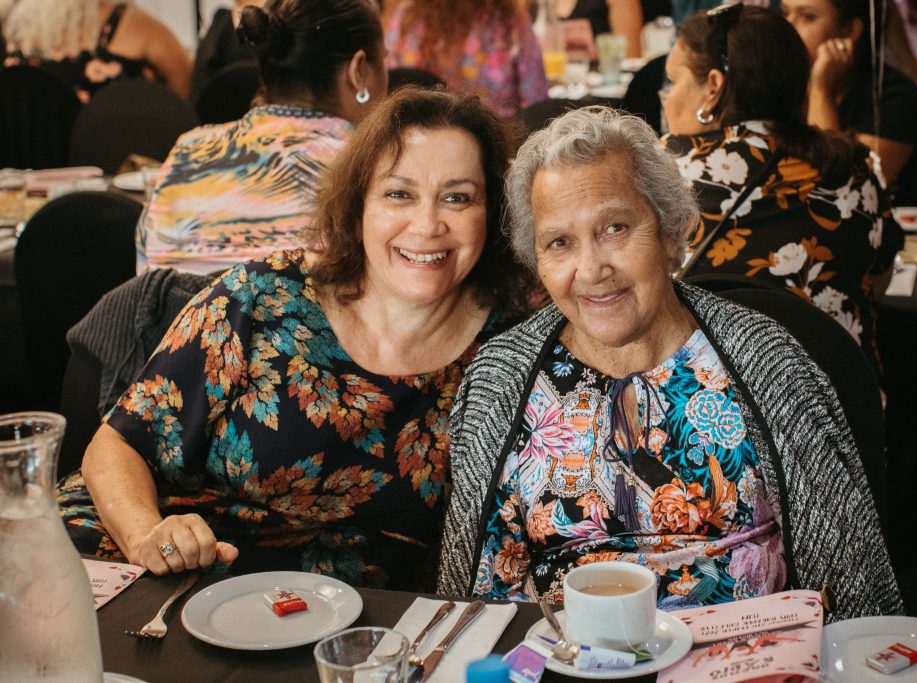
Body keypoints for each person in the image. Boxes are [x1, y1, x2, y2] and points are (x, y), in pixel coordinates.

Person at [436, 106, 901, 620]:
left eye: (615, 227)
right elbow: (477, 600)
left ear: (669, 230)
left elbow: (852, 585)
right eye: (559, 242)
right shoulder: (500, 379)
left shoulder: (768, 361)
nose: (591, 269)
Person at [58, 87, 533, 589]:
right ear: (358, 208)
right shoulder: (264, 297)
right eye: (399, 194)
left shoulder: (506, 353)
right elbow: (116, 445)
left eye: (458, 198)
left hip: (325, 613)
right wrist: (147, 534)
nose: (428, 223)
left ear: (494, 215)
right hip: (155, 561)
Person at [662, 4, 901, 377]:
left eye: (672, 81)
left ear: (713, 87)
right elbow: (881, 280)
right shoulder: (853, 167)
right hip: (843, 412)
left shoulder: (663, 175)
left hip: (716, 421)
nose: (666, 97)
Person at [136, 0, 387, 276]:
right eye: (384, 59)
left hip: (177, 319)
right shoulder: (367, 171)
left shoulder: (189, 151)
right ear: (359, 71)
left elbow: (147, 288)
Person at [781, 0, 917, 184]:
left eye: (808, 17)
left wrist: (821, 92)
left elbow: (843, 188)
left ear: (849, 29)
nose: (786, 27)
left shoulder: (894, 95)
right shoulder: (783, 81)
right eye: (785, 13)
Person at [0, 0, 192, 102]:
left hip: (21, 164)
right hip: (107, 160)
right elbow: (185, 88)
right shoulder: (131, 23)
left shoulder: (10, 22)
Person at [384, 0, 547, 119]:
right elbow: (538, 106)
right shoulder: (510, 21)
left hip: (422, 143)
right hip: (502, 147)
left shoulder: (404, 18)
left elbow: (387, 95)